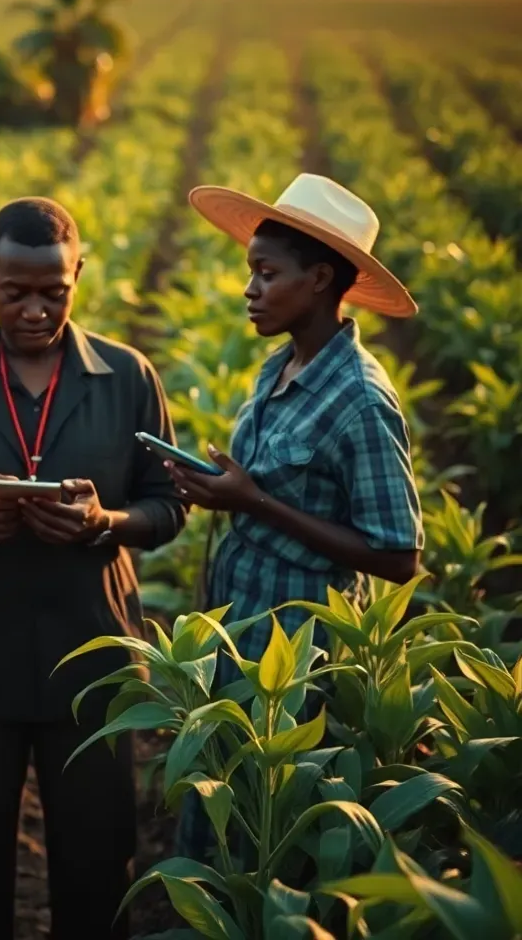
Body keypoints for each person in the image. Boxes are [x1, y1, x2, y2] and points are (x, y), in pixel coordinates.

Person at [0, 197, 186, 940]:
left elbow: (167, 506)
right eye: (12, 291)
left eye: (53, 292)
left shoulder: (127, 377)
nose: (32, 309)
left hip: (95, 669)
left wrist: (103, 525)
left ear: (79, 275)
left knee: (96, 871)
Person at [168, 173, 425, 857]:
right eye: (250, 271)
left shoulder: (361, 399)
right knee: (220, 813)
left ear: (317, 280)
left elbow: (399, 556)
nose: (249, 289)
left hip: (295, 662)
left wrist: (251, 500)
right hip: (237, 632)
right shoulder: (279, 367)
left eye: (265, 273)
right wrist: (220, 489)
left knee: (269, 834)